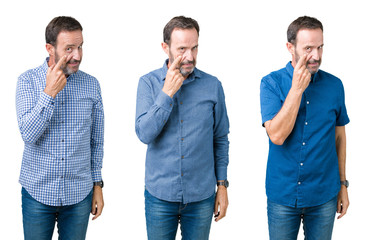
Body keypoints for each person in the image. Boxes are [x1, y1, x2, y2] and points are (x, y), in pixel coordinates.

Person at [135, 16, 230, 240]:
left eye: (194, 48)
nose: (189, 57)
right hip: (160, 196)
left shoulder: (212, 85)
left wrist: (223, 186)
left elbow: (220, 138)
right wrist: (166, 93)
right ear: (165, 47)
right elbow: (144, 134)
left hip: (201, 197)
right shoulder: (148, 83)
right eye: (182, 49)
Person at [260, 16, 350, 240]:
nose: (316, 56)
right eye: (308, 48)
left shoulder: (335, 85)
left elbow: (339, 137)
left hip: (324, 195)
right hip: (283, 195)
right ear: (290, 48)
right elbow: (277, 136)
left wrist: (343, 184)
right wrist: (296, 90)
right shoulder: (270, 83)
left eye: (320, 47)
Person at [16, 16, 104, 240]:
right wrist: (49, 93)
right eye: (69, 48)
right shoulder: (27, 81)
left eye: (80, 46)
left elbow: (96, 141)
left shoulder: (91, 85)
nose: (77, 55)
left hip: (79, 195)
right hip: (37, 194)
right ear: (50, 48)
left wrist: (97, 186)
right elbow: (28, 135)